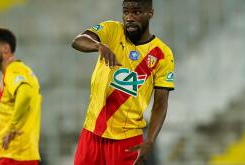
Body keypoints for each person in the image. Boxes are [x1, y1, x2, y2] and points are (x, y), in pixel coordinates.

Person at [71, 0, 175, 164]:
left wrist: (150, 140)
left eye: (136, 12)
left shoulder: (162, 53)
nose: (129, 17)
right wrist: (98, 46)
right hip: (91, 131)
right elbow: (78, 40)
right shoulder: (112, 30)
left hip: (126, 139)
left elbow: (161, 103)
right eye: (126, 12)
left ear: (150, 13)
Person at [0, 28, 42, 165]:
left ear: (5, 49)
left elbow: (25, 94)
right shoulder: (14, 72)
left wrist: (12, 127)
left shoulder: (14, 70)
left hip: (16, 154)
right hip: (17, 154)